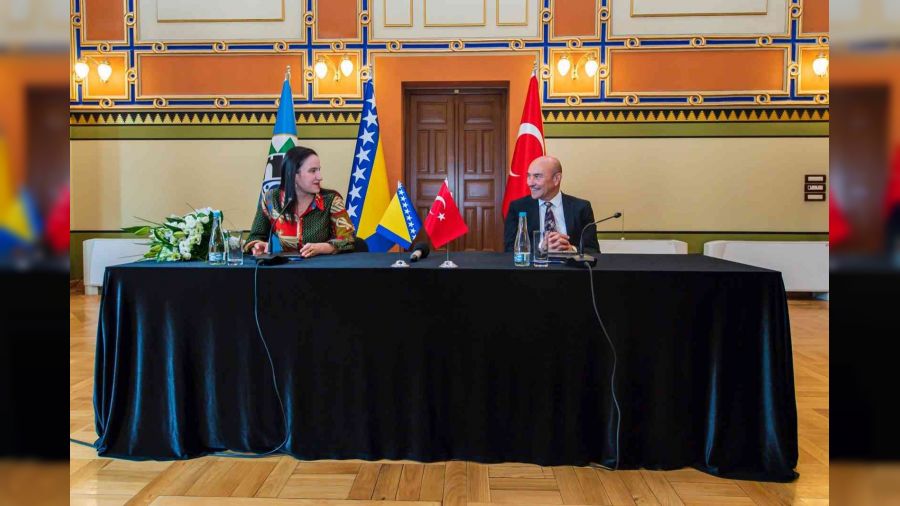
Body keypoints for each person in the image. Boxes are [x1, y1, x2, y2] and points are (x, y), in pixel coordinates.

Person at [245, 146, 356, 257]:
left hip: (322, 264)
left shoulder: (330, 200)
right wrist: (257, 245)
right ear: (292, 174)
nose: (320, 177)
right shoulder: (271, 199)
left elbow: (349, 239)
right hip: (285, 266)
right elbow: (254, 237)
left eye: (319, 170)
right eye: (313, 171)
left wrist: (323, 248)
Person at [503, 155, 600, 253]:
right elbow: (509, 250)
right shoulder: (518, 208)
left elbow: (593, 250)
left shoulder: (581, 208)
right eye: (528, 176)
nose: (530, 183)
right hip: (534, 263)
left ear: (556, 179)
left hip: (569, 263)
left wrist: (571, 249)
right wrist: (541, 248)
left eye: (537, 176)